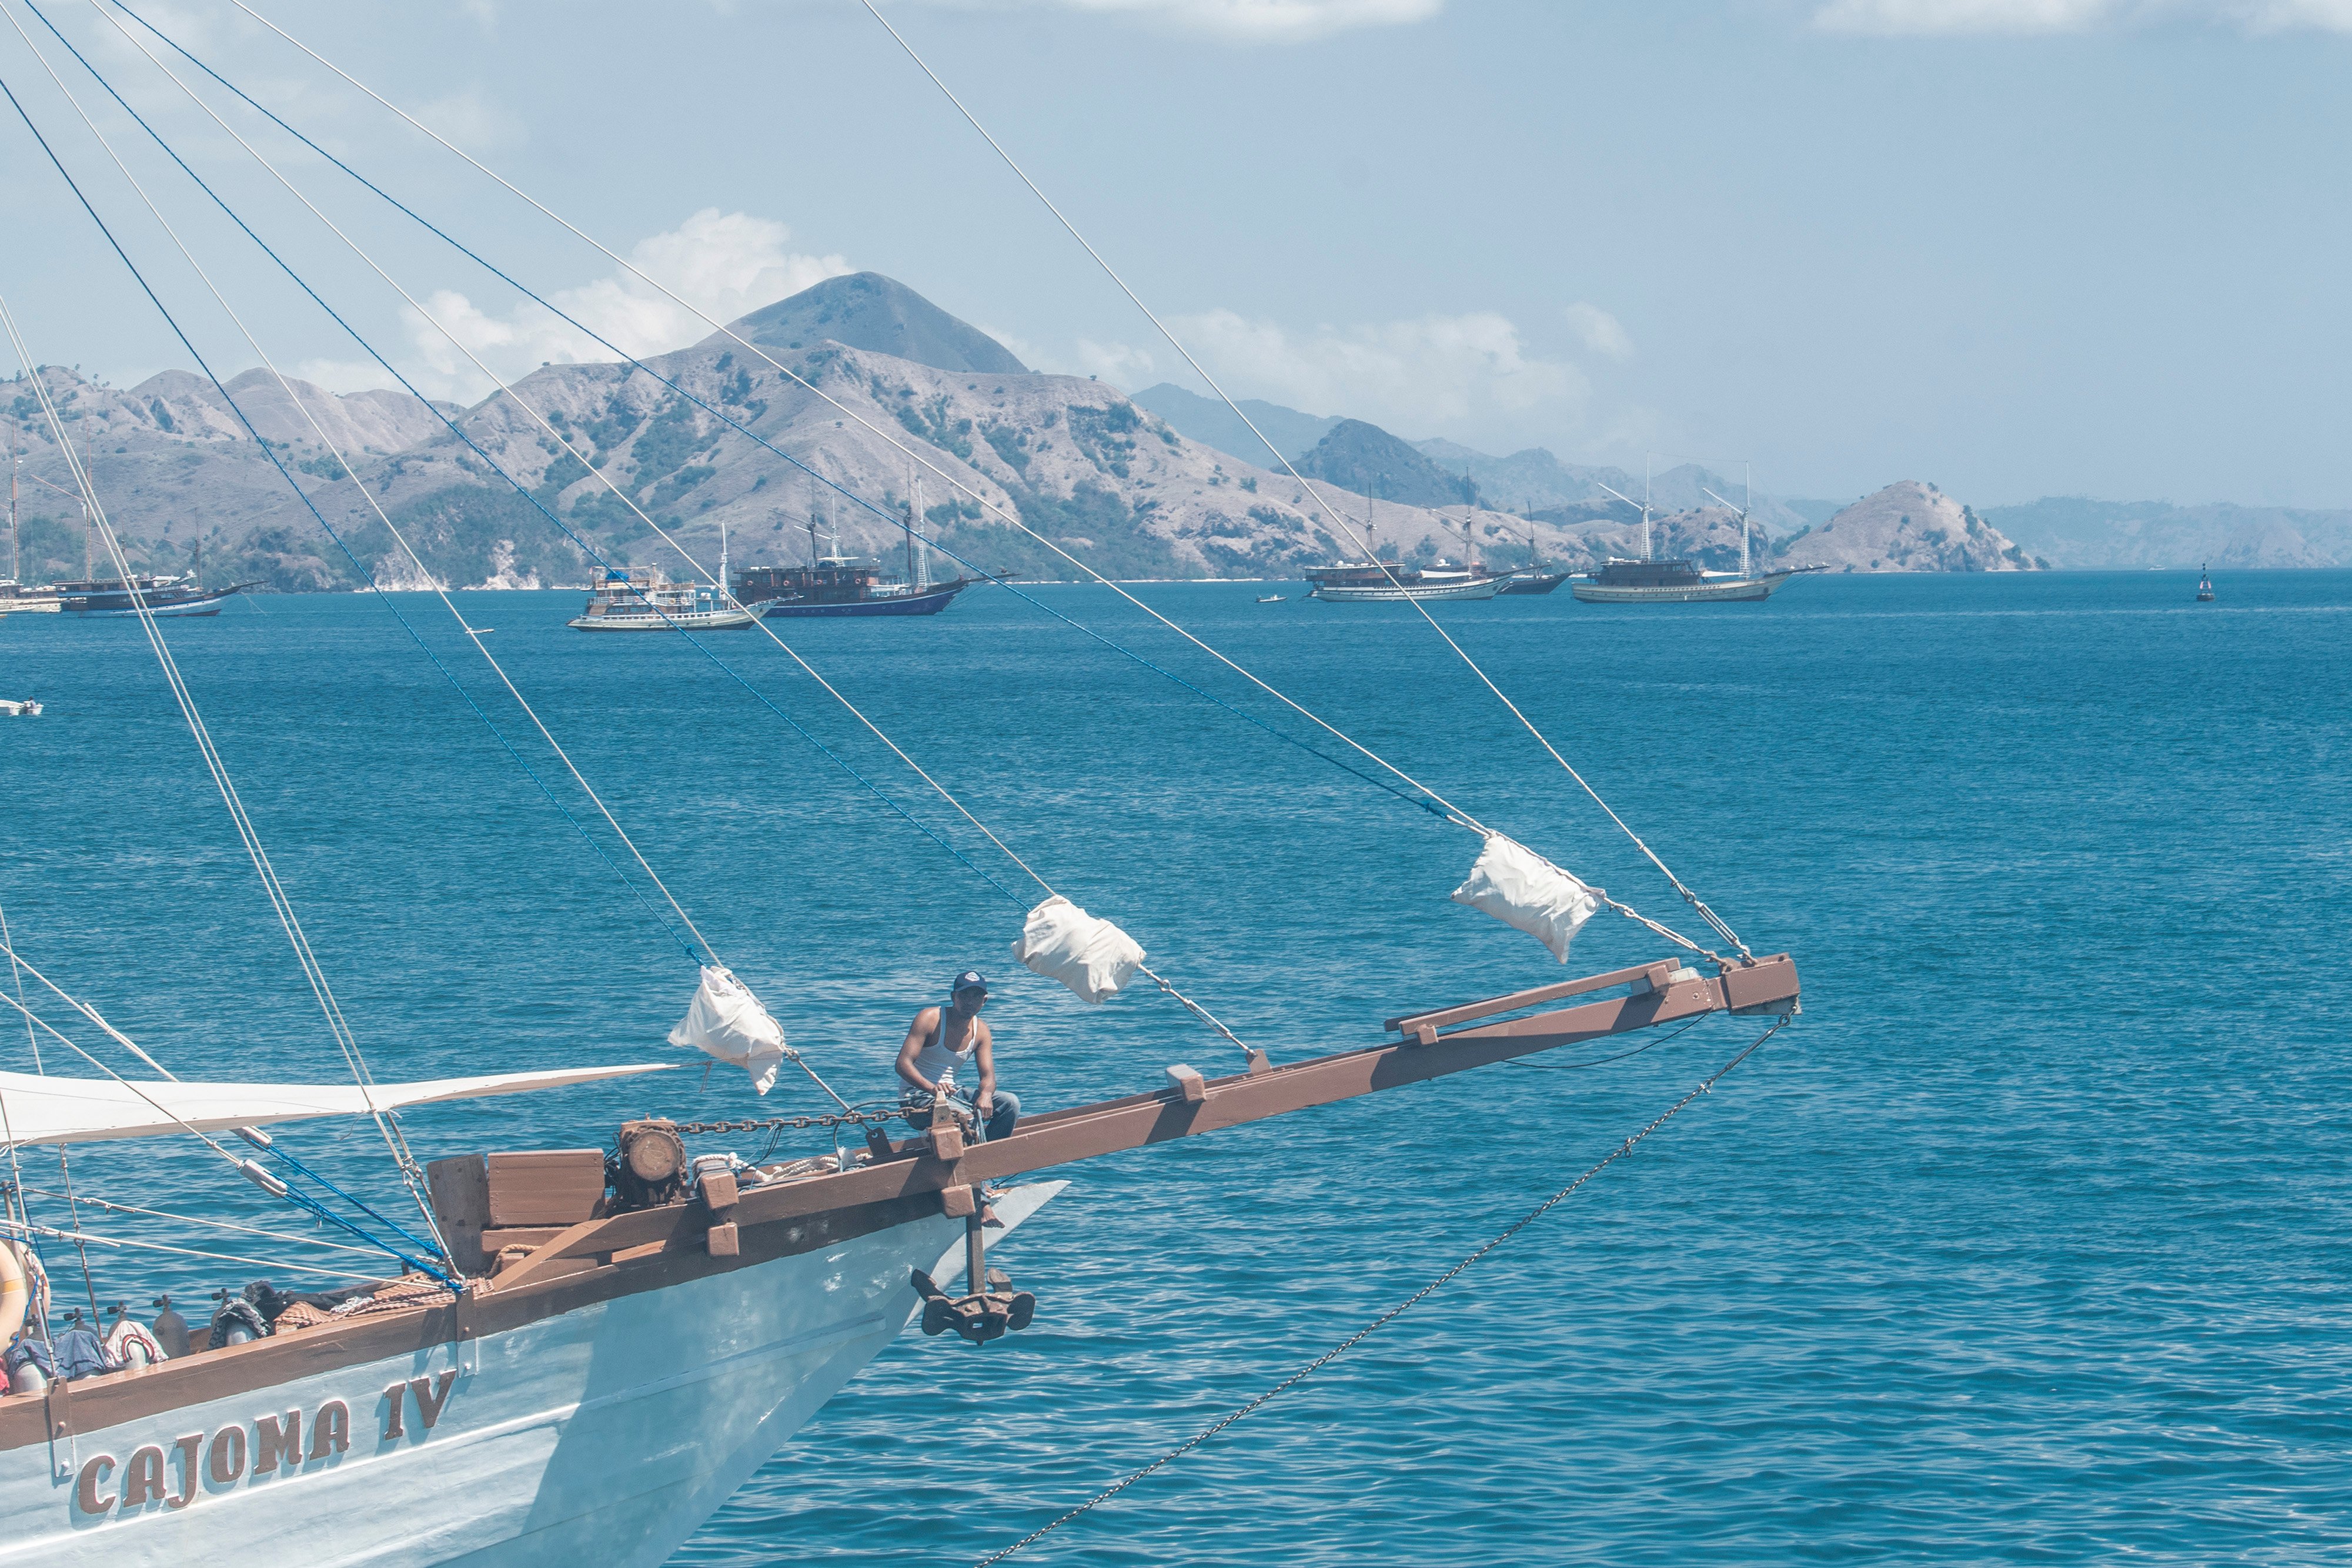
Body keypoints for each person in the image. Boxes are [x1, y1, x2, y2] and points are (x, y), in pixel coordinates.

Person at [898, 969, 1018, 1142]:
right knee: (966, 1117)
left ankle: (990, 1154)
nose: (970, 1002)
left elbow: (988, 1077)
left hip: (952, 1094)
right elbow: (903, 1064)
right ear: (953, 997)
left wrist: (985, 1094)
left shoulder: (982, 1031)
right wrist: (933, 1089)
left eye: (976, 997)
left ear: (984, 1001)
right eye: (964, 996)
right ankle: (977, 1155)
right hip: (917, 1097)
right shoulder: (930, 1018)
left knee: (1010, 1103)